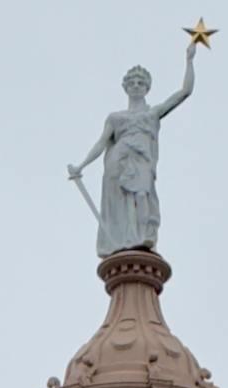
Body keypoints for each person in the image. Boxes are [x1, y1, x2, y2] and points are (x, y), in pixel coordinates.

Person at [69, 46, 199, 256]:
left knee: (142, 195)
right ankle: (129, 239)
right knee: (125, 202)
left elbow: (184, 92)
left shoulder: (153, 113)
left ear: (147, 88)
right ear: (126, 87)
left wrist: (189, 60)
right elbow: (101, 143)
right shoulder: (116, 118)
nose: (136, 86)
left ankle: (143, 238)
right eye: (132, 83)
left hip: (142, 160)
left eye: (141, 83)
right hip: (118, 161)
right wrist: (81, 165)